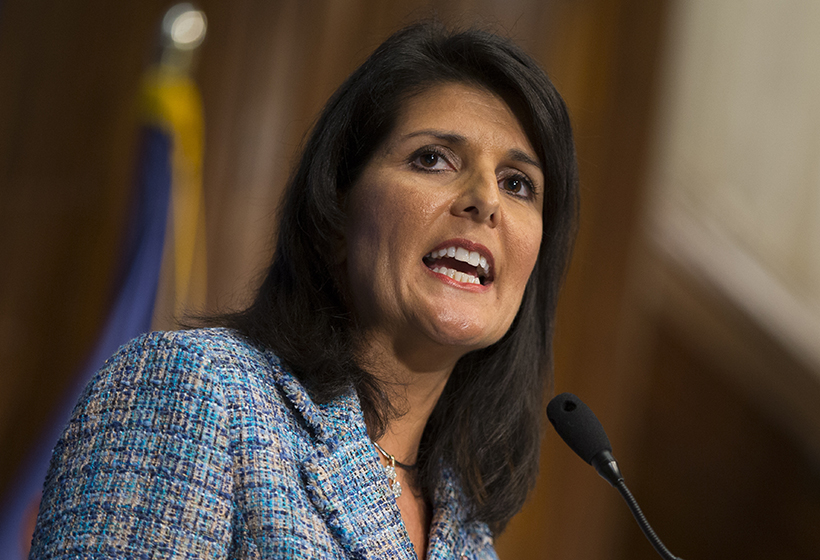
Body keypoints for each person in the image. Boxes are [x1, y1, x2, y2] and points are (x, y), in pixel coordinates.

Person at [29, 21, 578, 560]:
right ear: (335, 212)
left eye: (517, 184)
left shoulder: (468, 535)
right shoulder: (199, 393)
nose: (486, 200)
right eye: (432, 158)